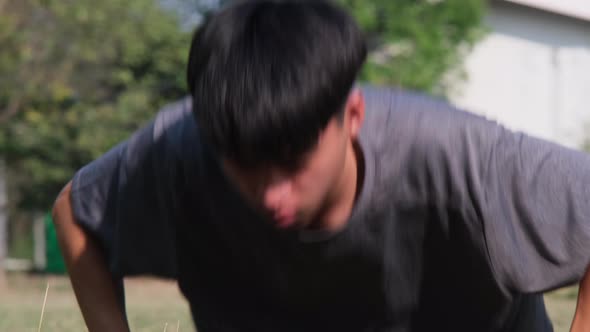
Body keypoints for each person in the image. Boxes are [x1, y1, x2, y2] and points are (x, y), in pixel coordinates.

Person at [52, 0, 590, 331]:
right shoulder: (183, 148)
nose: (271, 196)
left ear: (351, 115)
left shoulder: (463, 162)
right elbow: (76, 211)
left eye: (292, 162)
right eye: (244, 166)